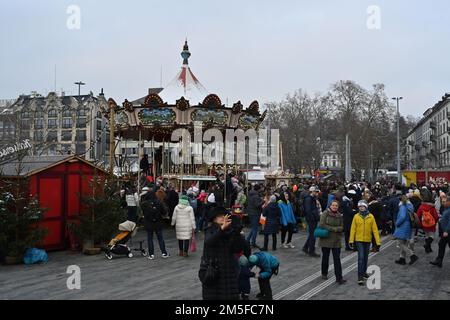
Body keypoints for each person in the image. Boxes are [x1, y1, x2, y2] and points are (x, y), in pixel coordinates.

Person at [199, 206, 248, 300]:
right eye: (220, 216)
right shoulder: (210, 230)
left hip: (229, 275)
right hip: (213, 273)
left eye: (224, 215)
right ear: (214, 219)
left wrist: (238, 233)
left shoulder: (230, 231)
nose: (223, 217)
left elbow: (238, 249)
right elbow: (209, 241)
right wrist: (221, 229)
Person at [349, 200, 381, 285]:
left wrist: (378, 242)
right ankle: (360, 276)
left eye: (362, 206)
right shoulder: (356, 216)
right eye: (359, 206)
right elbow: (353, 229)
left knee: (366, 258)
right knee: (361, 257)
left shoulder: (371, 217)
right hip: (359, 240)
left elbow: (375, 230)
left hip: (367, 240)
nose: (361, 208)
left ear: (366, 207)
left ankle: (364, 272)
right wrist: (351, 240)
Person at [318, 199, 346, 284]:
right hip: (326, 239)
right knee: (325, 258)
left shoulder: (339, 215)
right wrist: (333, 229)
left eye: (336, 206)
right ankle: (324, 273)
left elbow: (342, 227)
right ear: (330, 206)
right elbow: (322, 224)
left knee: (337, 259)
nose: (334, 207)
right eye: (333, 205)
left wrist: (335, 229)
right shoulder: (325, 213)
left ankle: (339, 277)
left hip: (336, 240)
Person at [141, 189, 170, 260]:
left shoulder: (144, 204)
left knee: (150, 239)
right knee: (160, 238)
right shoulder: (159, 203)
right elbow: (164, 212)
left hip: (149, 223)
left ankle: (151, 254)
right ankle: (164, 253)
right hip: (158, 223)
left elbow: (143, 213)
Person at [393, 195, 419, 265]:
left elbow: (402, 217)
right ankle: (402, 259)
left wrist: (397, 223)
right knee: (404, 242)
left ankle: (412, 255)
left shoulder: (402, 207)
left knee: (400, 243)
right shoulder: (410, 206)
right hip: (408, 225)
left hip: (403, 226)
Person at [430, 194, 450, 268]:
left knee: (442, 245)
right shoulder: (446, 209)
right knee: (441, 245)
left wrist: (447, 231)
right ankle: (439, 260)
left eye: (444, 202)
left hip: (448, 232)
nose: (443, 203)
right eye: (442, 201)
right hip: (445, 232)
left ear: (449, 202)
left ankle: (439, 260)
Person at [417, 188, 439, 253]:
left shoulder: (421, 206)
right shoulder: (432, 207)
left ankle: (428, 249)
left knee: (426, 236)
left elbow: (418, 216)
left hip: (424, 223)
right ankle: (427, 245)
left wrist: (420, 223)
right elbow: (436, 216)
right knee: (432, 236)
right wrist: (435, 222)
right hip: (432, 223)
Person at [302, 186, 321, 257]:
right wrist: (314, 217)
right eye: (316, 192)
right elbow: (308, 210)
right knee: (313, 235)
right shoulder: (308, 199)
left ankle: (306, 247)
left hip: (313, 219)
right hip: (311, 219)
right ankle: (311, 251)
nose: (317, 193)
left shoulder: (312, 198)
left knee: (312, 234)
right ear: (312, 192)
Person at [246, 184, 264, 248]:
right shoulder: (256, 196)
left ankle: (247, 240)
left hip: (251, 212)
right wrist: (263, 201)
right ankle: (253, 242)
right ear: (258, 189)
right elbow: (257, 205)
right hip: (255, 213)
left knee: (253, 228)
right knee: (255, 229)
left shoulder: (250, 194)